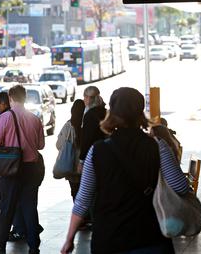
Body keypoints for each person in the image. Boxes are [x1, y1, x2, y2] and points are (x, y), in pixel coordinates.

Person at [60, 87, 190, 254]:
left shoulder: (97, 151)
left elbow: (82, 200)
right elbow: (180, 187)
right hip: (150, 239)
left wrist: (69, 239)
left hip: (109, 241)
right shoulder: (157, 147)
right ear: (140, 112)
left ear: (112, 112)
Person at [0, 84, 45, 254]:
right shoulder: (35, 119)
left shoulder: (5, 118)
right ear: (25, 97)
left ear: (11, 98)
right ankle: (34, 245)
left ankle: (0, 244)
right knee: (30, 207)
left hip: (11, 169)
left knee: (7, 208)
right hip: (31, 168)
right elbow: (41, 145)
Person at [56, 99, 85, 200]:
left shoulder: (68, 126)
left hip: (71, 166)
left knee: (75, 194)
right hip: (85, 167)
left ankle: (78, 213)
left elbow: (59, 145)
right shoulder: (87, 124)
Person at [79, 86, 107, 164]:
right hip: (106, 151)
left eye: (84, 96)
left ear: (88, 98)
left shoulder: (89, 115)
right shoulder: (106, 112)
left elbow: (87, 138)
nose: (83, 99)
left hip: (93, 155)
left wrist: (81, 160)